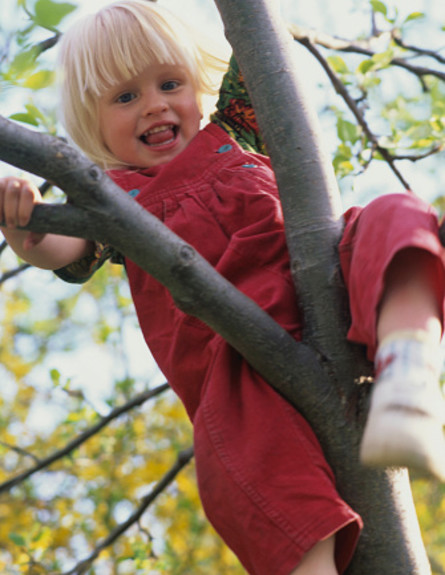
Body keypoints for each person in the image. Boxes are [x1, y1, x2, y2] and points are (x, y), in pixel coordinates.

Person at [0, 1, 444, 573]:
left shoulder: (236, 128)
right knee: (243, 461)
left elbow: (262, 42)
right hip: (237, 360)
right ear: (94, 121)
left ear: (196, 83)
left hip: (332, 299)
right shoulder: (114, 200)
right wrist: (26, 225)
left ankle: (406, 372)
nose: (155, 105)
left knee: (395, 216)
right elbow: (64, 248)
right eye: (125, 97)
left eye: (168, 83)